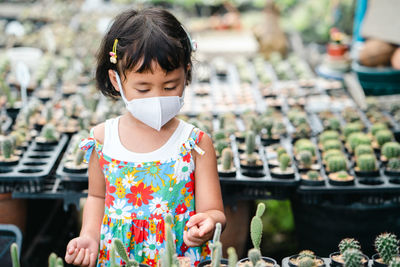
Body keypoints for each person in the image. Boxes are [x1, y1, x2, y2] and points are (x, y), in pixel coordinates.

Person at [64, 8, 226, 267]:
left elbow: (213, 210)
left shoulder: (196, 144)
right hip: (119, 258)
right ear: (116, 80)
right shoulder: (102, 140)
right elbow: (96, 197)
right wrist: (89, 237)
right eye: (143, 88)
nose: (157, 98)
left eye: (170, 86)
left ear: (186, 73)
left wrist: (209, 222)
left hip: (180, 258)